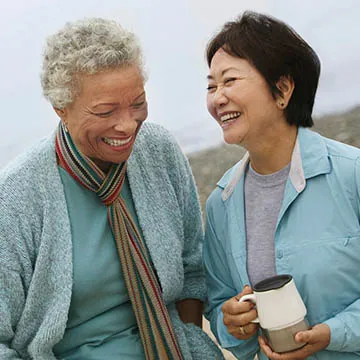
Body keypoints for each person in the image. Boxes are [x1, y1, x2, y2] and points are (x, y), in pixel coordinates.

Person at [0, 18, 224, 360]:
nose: (128, 124)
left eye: (138, 103)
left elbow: (192, 268)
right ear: (61, 108)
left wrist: (190, 339)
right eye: (105, 111)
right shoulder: (16, 196)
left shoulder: (158, 150)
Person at [203, 10, 360, 360]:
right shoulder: (221, 204)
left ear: (283, 89)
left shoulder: (352, 174)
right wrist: (231, 322)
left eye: (229, 81)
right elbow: (218, 308)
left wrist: (335, 333)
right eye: (211, 86)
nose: (217, 98)